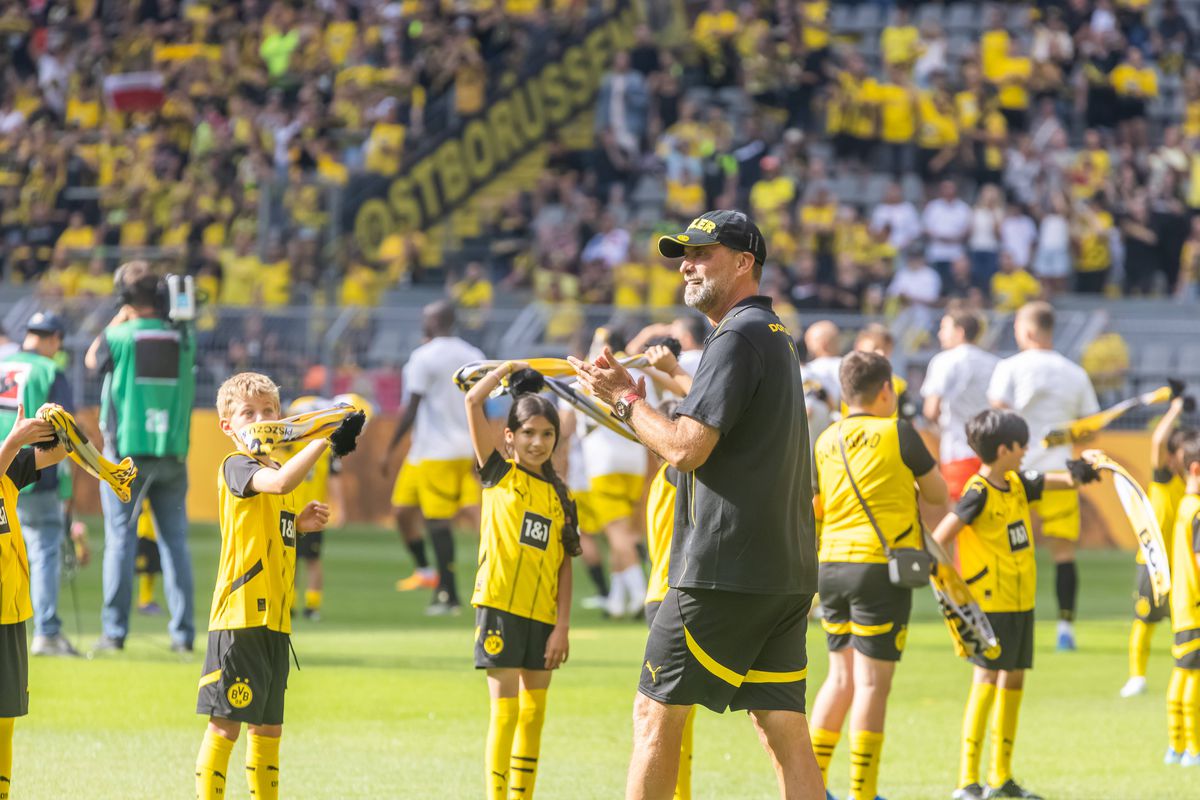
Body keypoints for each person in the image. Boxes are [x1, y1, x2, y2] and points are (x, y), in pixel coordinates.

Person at [571, 209, 822, 800]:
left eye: (702, 253)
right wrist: (626, 401)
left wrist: (627, 399)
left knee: (654, 715)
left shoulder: (736, 336)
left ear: (744, 263)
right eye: (683, 253)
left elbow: (686, 449)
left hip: (722, 573)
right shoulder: (773, 334)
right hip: (783, 572)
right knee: (782, 729)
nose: (686, 264)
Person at [193, 373, 355, 800]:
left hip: (275, 621)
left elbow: (273, 517)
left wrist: (298, 524)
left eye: (269, 412)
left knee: (268, 728)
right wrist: (324, 437)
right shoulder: (237, 465)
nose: (261, 420)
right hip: (240, 615)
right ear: (228, 426)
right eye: (249, 413)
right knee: (224, 724)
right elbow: (280, 486)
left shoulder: (276, 467)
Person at [931, 410, 1101, 800]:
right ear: (1004, 449)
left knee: (1014, 679)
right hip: (990, 605)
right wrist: (953, 591)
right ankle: (966, 781)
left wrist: (1087, 467)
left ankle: (1000, 777)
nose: (1026, 451)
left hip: (1020, 602)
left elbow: (1066, 481)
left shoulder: (1017, 482)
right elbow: (940, 539)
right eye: (1021, 445)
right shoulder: (977, 492)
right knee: (986, 680)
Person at [808, 351, 949, 800]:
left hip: (830, 566)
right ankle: (863, 792)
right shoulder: (898, 432)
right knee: (871, 683)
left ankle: (810, 786)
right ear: (886, 391)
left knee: (839, 678)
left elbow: (815, 506)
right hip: (879, 568)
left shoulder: (826, 438)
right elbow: (939, 494)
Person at [464, 362, 579, 800]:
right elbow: (473, 401)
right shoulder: (499, 476)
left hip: (544, 619)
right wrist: (506, 369)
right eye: (528, 433)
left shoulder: (562, 497)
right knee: (506, 713)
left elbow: (565, 565)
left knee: (534, 715)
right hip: (499, 607)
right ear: (509, 437)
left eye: (546, 434)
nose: (537, 442)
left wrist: (562, 626)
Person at [84, 260, 197, 653]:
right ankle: (183, 635)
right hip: (172, 455)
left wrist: (120, 316)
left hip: (125, 457)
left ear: (125, 299)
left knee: (120, 542)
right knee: (175, 544)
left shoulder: (120, 336)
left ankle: (115, 633)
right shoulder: (183, 335)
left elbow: (91, 359)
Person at [988, 302, 1100, 651]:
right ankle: (1065, 627)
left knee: (1005, 550)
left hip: (1016, 472)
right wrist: (1067, 435)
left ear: (1030, 331)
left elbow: (996, 418)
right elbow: (1089, 430)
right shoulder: (1074, 372)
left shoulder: (1009, 367)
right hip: (1058, 472)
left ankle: (1001, 624)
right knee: (1063, 553)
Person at [380, 302, 484, 614]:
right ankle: (426, 572)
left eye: (425, 318)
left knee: (438, 523)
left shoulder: (422, 357)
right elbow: (483, 404)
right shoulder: (474, 355)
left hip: (437, 453)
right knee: (401, 511)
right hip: (443, 449)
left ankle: (448, 596)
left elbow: (411, 407)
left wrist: (389, 449)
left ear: (434, 322)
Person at [0, 311, 84, 656]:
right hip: (29, 473)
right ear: (55, 340)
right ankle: (47, 631)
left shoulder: (3, 363)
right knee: (45, 549)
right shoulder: (50, 370)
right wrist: (67, 496)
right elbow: (67, 432)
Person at [0, 402, 68, 798]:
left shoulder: (8, 467)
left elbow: (61, 452)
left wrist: (59, 426)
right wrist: (13, 440)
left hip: (9, 611)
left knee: (5, 718)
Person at [1122, 394, 1189, 698]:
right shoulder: (1163, 479)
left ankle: (1186, 671)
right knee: (1145, 619)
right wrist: (1175, 408)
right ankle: (1137, 677)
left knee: (1186, 622)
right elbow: (1159, 440)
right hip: (1153, 560)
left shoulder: (1191, 484)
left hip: (1183, 563)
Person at [921, 308, 999, 500]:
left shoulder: (945, 360)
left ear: (960, 331)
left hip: (957, 449)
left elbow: (931, 410)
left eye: (944, 327)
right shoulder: (995, 362)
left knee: (960, 513)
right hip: (993, 452)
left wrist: (936, 430)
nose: (940, 333)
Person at [283, 396, 345, 622]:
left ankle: (310, 605)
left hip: (310, 511)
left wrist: (339, 507)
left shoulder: (317, 448)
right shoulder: (297, 446)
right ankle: (295, 604)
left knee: (309, 560)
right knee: (298, 561)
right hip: (293, 511)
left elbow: (334, 478)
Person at [1165, 431, 1200, 767]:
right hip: (1197, 609)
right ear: (1196, 470)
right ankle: (1194, 748)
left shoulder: (1184, 506)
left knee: (1181, 673)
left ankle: (1175, 745)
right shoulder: (1199, 510)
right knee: (1195, 678)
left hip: (1182, 605)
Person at [135, 501, 163, 615]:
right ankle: (144, 601)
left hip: (153, 534)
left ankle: (148, 599)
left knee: (152, 570)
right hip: (144, 532)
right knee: (145, 570)